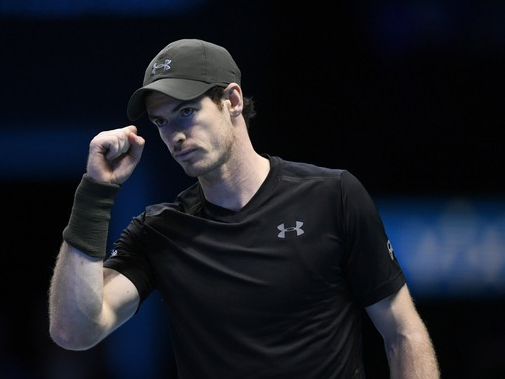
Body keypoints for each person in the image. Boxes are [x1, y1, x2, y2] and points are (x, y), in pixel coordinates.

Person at [48, 38, 440, 378]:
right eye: (161, 121)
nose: (176, 135)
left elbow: (403, 332)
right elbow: (74, 331)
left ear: (232, 100)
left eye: (187, 111)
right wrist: (95, 192)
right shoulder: (159, 232)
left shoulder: (332, 196)